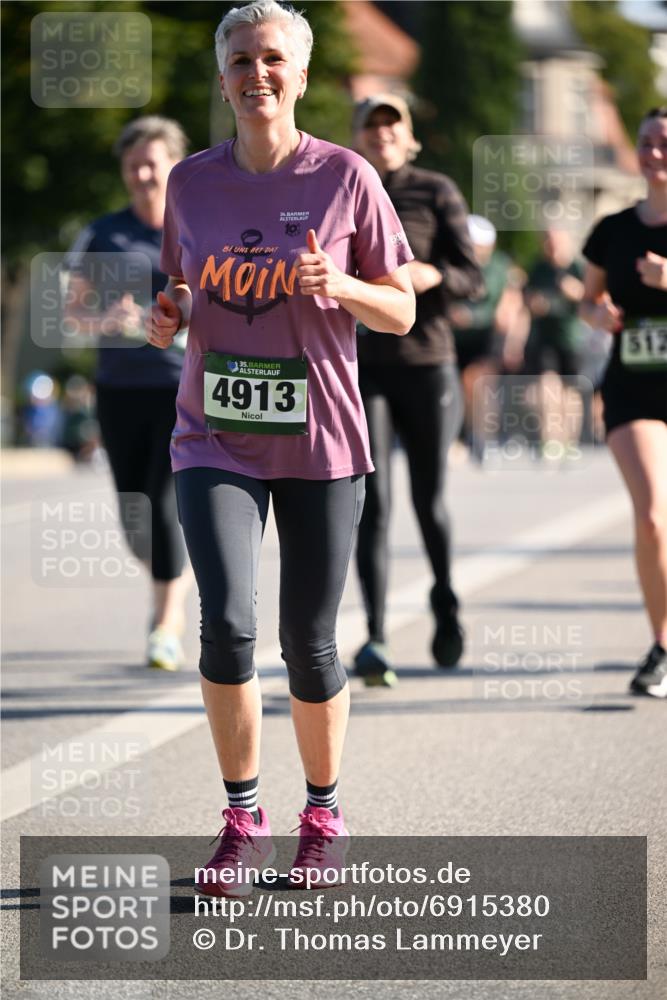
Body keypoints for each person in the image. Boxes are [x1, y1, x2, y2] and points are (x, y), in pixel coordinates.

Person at [148, 0, 415, 893]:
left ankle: (323, 815)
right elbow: (179, 286)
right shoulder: (191, 182)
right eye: (239, 60)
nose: (254, 74)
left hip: (320, 438)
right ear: (222, 78)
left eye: (270, 59)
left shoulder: (346, 177)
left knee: (308, 639)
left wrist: (339, 284)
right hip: (213, 434)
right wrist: (168, 315)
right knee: (226, 624)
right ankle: (242, 820)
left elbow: (400, 308)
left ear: (299, 75)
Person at [351, 93, 483, 687]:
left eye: (392, 124)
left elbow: (473, 276)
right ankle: (376, 635)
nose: (382, 133)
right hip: (366, 367)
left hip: (428, 363)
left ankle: (445, 601)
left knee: (429, 500)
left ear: (410, 138)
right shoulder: (343, 190)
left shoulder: (435, 190)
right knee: (372, 503)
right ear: (358, 136)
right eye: (371, 125)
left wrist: (433, 275)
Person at [65, 116, 193, 672]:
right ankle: (172, 580)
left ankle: (166, 624)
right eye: (132, 165)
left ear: (175, 166)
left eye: (152, 164)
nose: (142, 175)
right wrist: (105, 319)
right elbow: (71, 312)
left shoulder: (197, 226)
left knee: (163, 505)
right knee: (134, 515)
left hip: (180, 387)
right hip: (119, 389)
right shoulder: (102, 233)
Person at [580, 106, 667, 699]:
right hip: (633, 387)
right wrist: (597, 314)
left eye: (665, 142)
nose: (654, 152)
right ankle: (662, 644)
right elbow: (587, 300)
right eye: (646, 141)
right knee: (654, 515)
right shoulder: (612, 229)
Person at [450, 215, 526, 463]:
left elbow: (509, 308)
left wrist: (513, 341)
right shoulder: (454, 263)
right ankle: (460, 437)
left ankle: (483, 438)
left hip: (488, 337)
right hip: (457, 338)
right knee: (456, 387)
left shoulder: (501, 267)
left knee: (478, 382)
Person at [523, 229, 585, 461]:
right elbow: (526, 298)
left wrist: (575, 291)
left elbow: (593, 297)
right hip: (544, 338)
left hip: (571, 338)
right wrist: (534, 304)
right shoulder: (538, 268)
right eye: (549, 243)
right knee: (547, 386)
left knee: (570, 391)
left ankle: (570, 440)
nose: (553, 248)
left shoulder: (577, 268)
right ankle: (550, 439)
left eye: (557, 243)